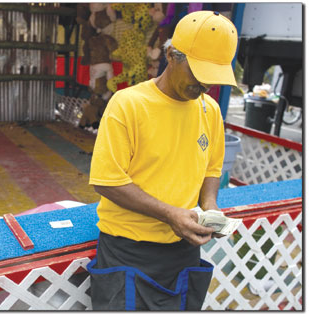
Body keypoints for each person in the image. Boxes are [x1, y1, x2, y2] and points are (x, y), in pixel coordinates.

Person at [87, 11, 238, 311]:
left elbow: (211, 167)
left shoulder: (209, 110)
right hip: (129, 251)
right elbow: (107, 181)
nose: (205, 86)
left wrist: (210, 207)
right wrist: (170, 214)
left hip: (184, 250)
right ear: (171, 55)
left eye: (212, 78)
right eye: (198, 74)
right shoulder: (128, 104)